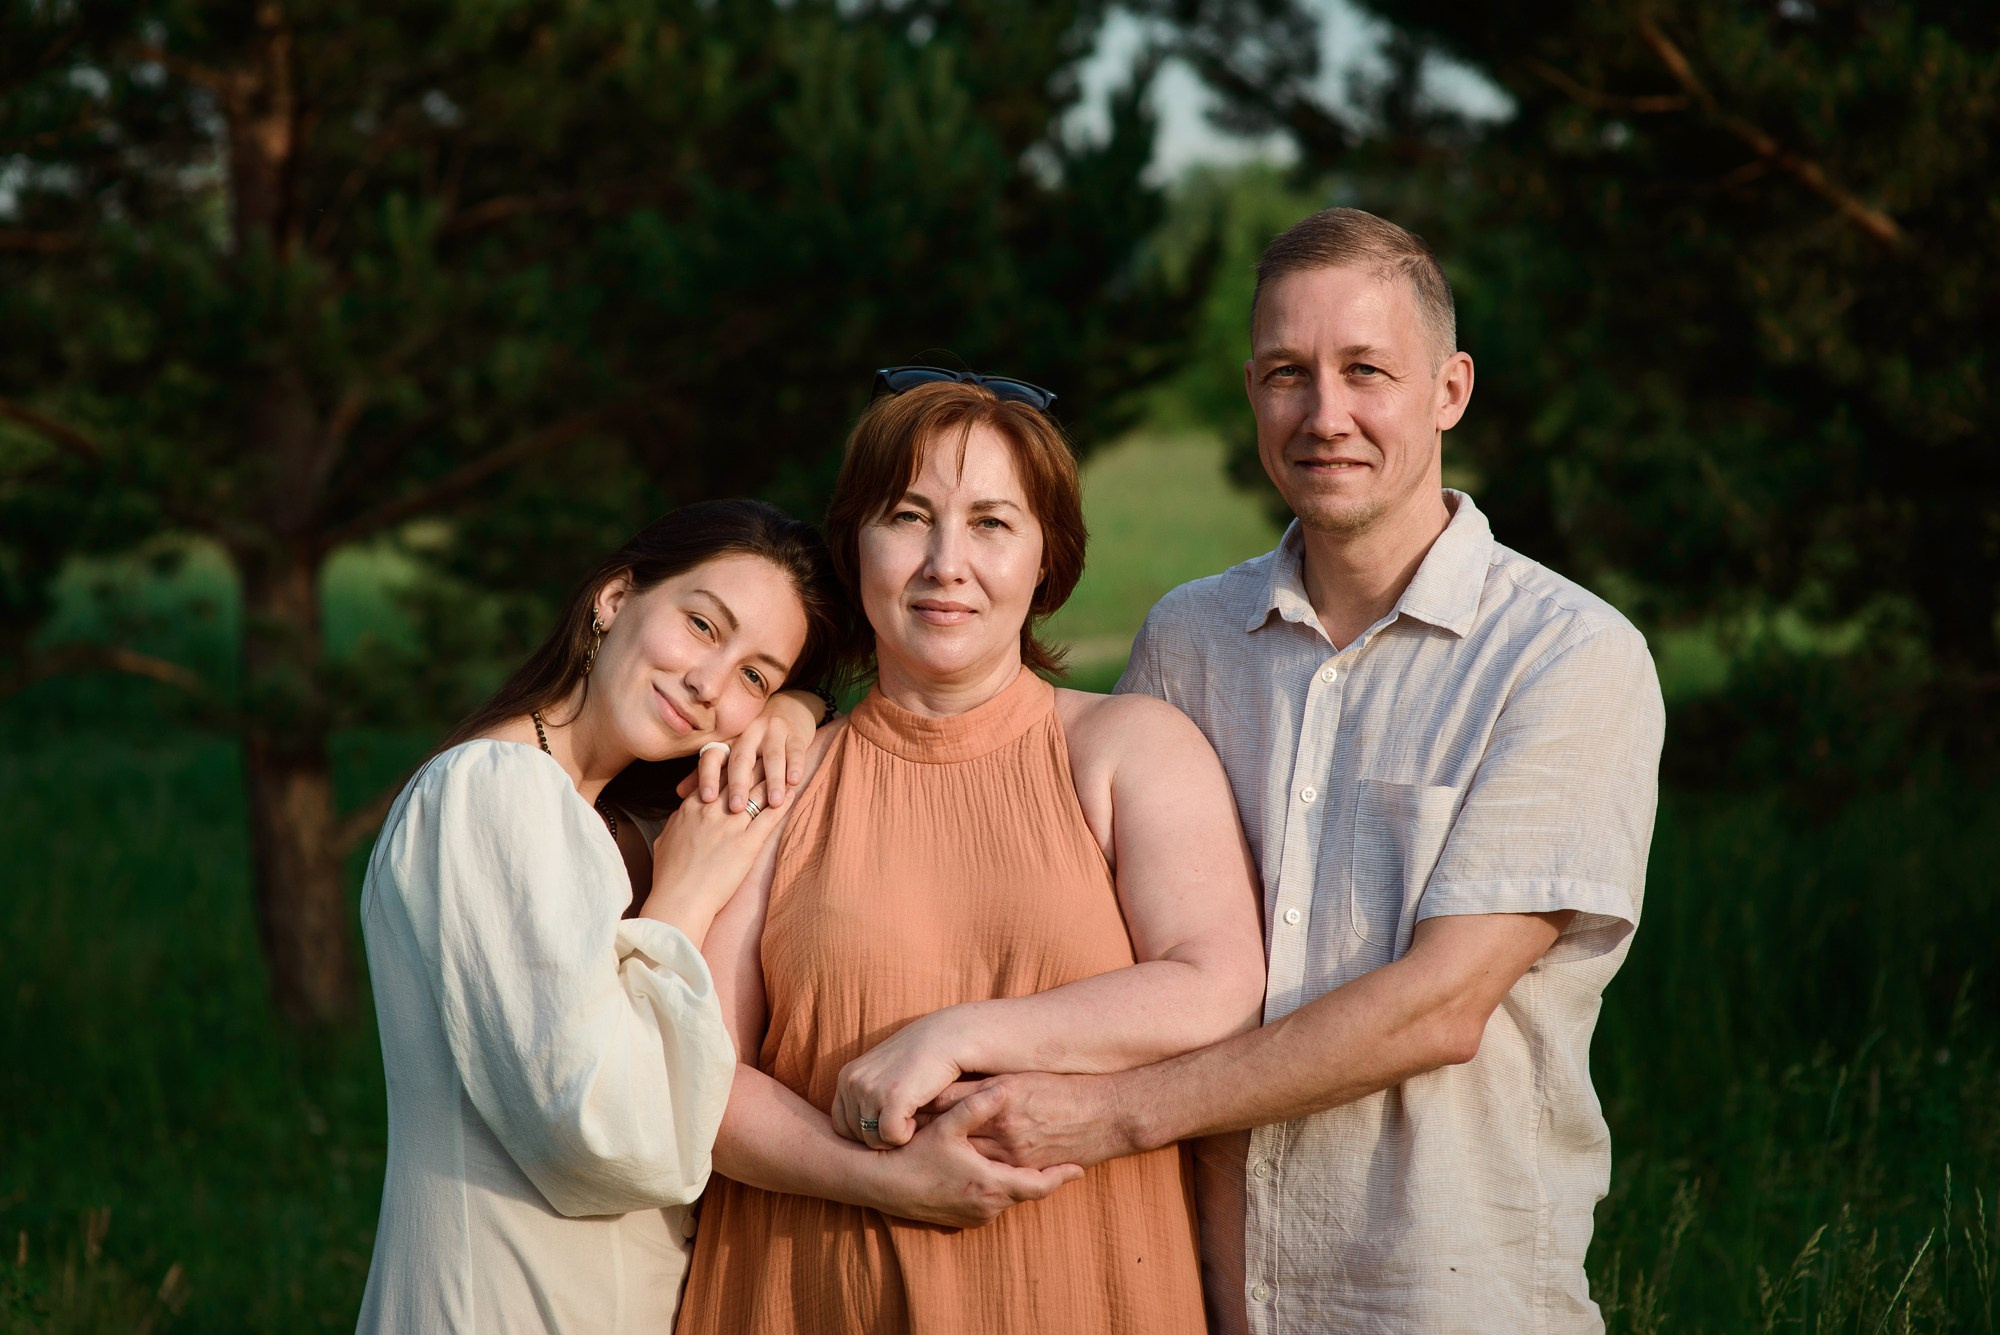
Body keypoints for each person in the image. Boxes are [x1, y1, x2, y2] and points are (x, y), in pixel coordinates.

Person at [932, 210, 1668, 1332]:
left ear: (1448, 390)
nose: (1324, 415)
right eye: (1287, 374)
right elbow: (1051, 878)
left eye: (1364, 370)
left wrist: (1111, 1116)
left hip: (1439, 1296)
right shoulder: (1189, 638)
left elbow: (1437, 1008)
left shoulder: (1569, 659)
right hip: (1196, 1289)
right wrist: (795, 708)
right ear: (1251, 394)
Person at [673, 371, 1269, 1335]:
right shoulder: (772, 779)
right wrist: (887, 1181)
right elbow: (700, 1075)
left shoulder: (1127, 748)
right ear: (854, 546)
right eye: (909, 516)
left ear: (1046, 561)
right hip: (813, 1286)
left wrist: (956, 1035)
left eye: (992, 523)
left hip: (1075, 1287)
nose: (945, 563)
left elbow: (1216, 982)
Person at [355, 499, 846, 1334]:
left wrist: (798, 711)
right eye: (700, 624)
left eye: (755, 675)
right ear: (614, 598)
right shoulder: (495, 791)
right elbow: (601, 1128)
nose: (708, 684)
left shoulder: (606, 814)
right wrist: (684, 898)